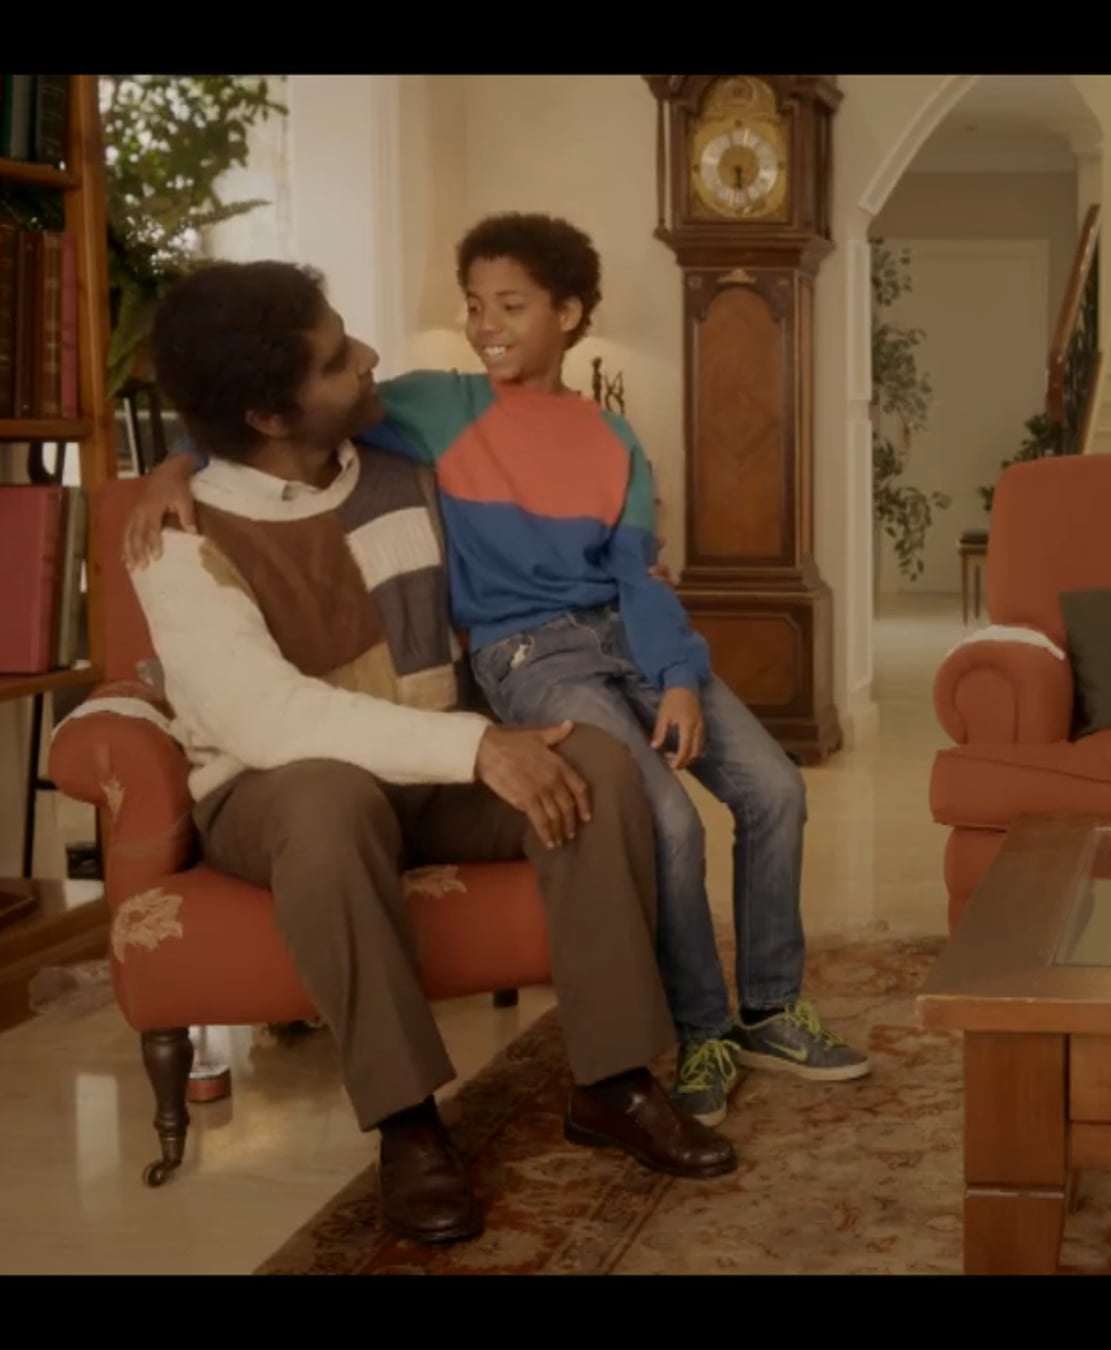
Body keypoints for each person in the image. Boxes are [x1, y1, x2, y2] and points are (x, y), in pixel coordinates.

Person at [127, 216, 870, 1125]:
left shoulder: (530, 445)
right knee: (653, 817)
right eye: (475, 305)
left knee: (701, 784)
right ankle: (649, 1047)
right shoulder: (403, 424)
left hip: (551, 683)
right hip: (432, 706)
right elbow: (262, 444)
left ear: (569, 313)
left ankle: (699, 1042)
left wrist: (674, 670)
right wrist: (174, 466)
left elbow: (635, 573)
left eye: (511, 306)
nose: (482, 326)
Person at [134, 260, 734, 1246]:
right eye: (338, 359)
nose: (371, 356)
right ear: (270, 417)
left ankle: (613, 1081)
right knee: (328, 805)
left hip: (435, 771)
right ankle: (408, 1126)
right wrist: (480, 746)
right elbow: (267, 719)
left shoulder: (404, 470)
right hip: (276, 793)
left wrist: (628, 585)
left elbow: (530, 553)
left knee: (598, 762)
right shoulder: (179, 537)